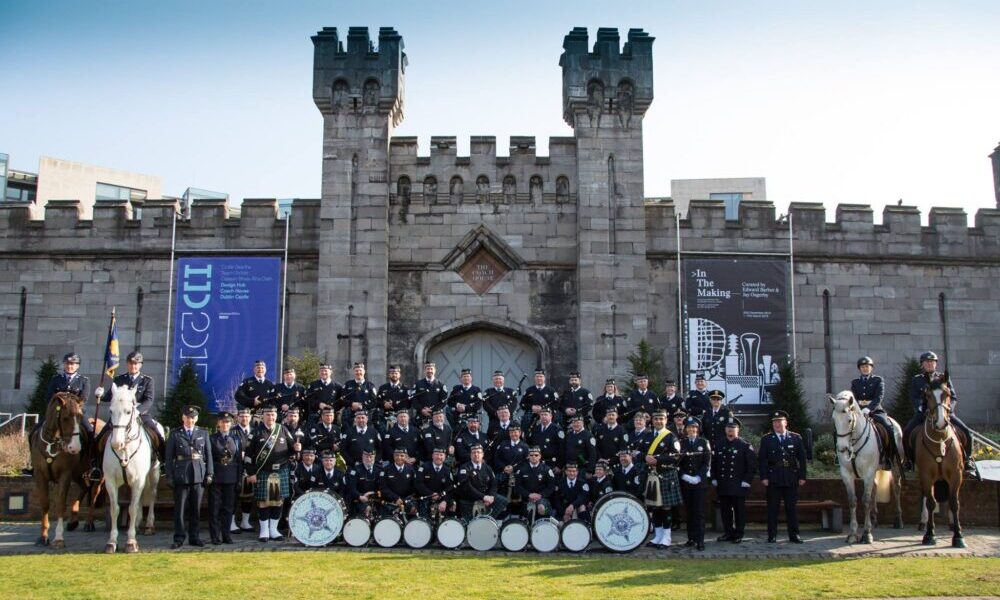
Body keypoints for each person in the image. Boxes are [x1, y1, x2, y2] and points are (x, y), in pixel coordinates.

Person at [903, 352, 977, 477]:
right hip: (924, 413)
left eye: (932, 362)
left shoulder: (944, 378)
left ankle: (968, 460)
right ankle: (909, 461)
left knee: (966, 432)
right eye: (926, 362)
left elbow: (953, 397)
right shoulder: (917, 379)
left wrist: (949, 410)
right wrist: (921, 407)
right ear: (922, 364)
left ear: (936, 364)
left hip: (943, 412)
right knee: (907, 432)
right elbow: (914, 396)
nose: (929, 364)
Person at [92, 351, 163, 479]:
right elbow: (109, 396)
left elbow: (149, 400)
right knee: (101, 437)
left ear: (140, 365)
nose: (133, 366)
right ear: (127, 364)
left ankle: (162, 463)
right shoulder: (120, 379)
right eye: (131, 363)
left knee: (156, 433)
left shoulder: (147, 381)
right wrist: (100, 394)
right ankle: (96, 466)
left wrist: (138, 410)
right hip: (120, 416)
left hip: (140, 414)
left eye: (136, 364)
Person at [245, 406, 300, 542]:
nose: (271, 417)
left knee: (278, 501)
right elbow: (248, 455)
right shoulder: (256, 432)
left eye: (273, 415)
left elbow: (292, 449)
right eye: (268, 414)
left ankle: (273, 530)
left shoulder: (282, 429)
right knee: (263, 502)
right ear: (263, 416)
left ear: (277, 416)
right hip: (263, 471)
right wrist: (251, 473)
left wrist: (296, 448)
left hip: (281, 470)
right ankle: (264, 531)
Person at [165, 405, 213, 549]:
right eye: (187, 417)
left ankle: (194, 536)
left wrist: (209, 473)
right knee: (180, 510)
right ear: (183, 418)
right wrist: (169, 476)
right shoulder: (175, 434)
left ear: (196, 418)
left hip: (198, 474)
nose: (190, 420)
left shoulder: (203, 433)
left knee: (195, 509)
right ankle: (179, 537)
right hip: (181, 474)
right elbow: (168, 457)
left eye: (193, 418)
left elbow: (208, 454)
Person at [759, 410, 806, 543]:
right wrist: (764, 477)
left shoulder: (796, 438)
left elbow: (801, 459)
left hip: (791, 477)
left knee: (791, 508)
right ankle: (772, 535)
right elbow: (762, 460)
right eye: (774, 422)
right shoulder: (767, 439)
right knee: (772, 509)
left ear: (786, 423)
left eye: (779, 421)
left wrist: (802, 476)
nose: (777, 424)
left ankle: (794, 535)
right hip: (773, 478)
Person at [712, 417, 755, 544]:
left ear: (738, 430)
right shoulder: (719, 444)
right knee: (725, 510)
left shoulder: (744, 445)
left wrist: (746, 481)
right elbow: (714, 463)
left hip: (738, 484)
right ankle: (728, 532)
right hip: (724, 483)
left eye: (733, 428)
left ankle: (739, 533)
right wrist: (714, 478)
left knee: (739, 510)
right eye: (728, 428)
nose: (730, 430)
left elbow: (751, 466)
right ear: (725, 430)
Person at [850, 356, 899, 468]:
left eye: (867, 366)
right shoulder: (855, 382)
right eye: (863, 367)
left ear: (871, 368)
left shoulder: (878, 380)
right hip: (859, 412)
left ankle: (888, 457)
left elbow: (879, 397)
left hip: (875, 411)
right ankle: (843, 456)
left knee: (888, 428)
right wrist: (860, 409)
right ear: (859, 369)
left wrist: (869, 408)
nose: (865, 369)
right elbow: (854, 398)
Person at [644, 410, 682, 549]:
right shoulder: (648, 435)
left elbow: (676, 456)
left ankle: (667, 537)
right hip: (652, 476)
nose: (658, 421)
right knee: (655, 506)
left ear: (666, 420)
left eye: (661, 419)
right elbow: (641, 452)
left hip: (666, 474)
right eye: (656, 419)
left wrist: (657, 460)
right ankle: (657, 536)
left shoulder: (671, 437)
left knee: (666, 507)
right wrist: (645, 458)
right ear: (652, 421)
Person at [678, 416, 711, 551]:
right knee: (689, 512)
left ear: (697, 429)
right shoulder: (682, 443)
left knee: (699, 512)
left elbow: (707, 462)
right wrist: (684, 476)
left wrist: (698, 476)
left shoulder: (704, 442)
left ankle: (700, 540)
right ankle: (691, 538)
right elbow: (678, 462)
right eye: (689, 427)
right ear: (686, 429)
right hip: (686, 483)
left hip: (699, 483)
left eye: (694, 427)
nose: (691, 429)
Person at [208, 411, 241, 545]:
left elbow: (239, 460)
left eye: (227, 422)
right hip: (216, 476)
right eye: (222, 422)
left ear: (231, 424)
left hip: (231, 476)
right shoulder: (212, 438)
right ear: (218, 423)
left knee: (228, 508)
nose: (225, 424)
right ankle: (215, 536)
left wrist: (238, 479)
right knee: (214, 508)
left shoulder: (236, 439)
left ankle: (226, 535)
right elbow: (209, 458)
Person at [456, 444, 508, 519]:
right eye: (474, 452)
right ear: (470, 455)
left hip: (486, 496)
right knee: (470, 523)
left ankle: (488, 519)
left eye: (478, 452)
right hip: (470, 498)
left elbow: (494, 484)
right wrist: (483, 497)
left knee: (504, 501)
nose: (476, 454)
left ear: (482, 454)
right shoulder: (464, 468)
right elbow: (467, 488)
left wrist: (491, 496)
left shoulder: (487, 467)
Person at [513, 446, 556, 519]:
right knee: (527, 517)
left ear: (540, 456)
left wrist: (540, 495)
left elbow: (551, 487)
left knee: (542, 508)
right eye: (531, 455)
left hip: (542, 498)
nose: (533, 457)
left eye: (536, 455)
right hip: (527, 498)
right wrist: (529, 495)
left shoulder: (546, 469)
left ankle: (550, 516)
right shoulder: (522, 470)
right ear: (528, 456)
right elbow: (518, 486)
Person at [231, 407, 255, 534]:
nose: (244, 418)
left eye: (246, 416)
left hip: (250, 468)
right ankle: (232, 522)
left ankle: (245, 522)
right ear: (237, 417)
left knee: (248, 496)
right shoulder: (232, 431)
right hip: (236, 468)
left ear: (250, 417)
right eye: (242, 416)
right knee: (233, 496)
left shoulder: (255, 431)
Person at [415, 447, 456, 519]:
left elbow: (450, 488)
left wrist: (444, 501)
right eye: (436, 454)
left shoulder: (447, 470)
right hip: (427, 497)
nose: (439, 457)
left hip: (442, 498)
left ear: (445, 457)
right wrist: (431, 494)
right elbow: (419, 484)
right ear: (432, 456)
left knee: (452, 505)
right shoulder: (424, 467)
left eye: (441, 455)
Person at [492, 424, 529, 500]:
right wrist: (504, 467)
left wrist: (514, 468)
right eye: (511, 432)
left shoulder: (525, 446)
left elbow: (526, 462)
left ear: (520, 433)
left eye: (515, 432)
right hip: (504, 472)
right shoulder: (503, 444)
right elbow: (497, 458)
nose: (513, 434)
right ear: (509, 433)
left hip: (518, 474)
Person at [338, 362, 379, 427]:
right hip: (350, 415)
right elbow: (342, 400)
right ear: (353, 372)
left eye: (360, 370)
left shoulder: (370, 385)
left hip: (365, 415)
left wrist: (362, 405)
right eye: (356, 371)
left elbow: (375, 401)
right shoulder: (347, 384)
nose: (358, 372)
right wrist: (352, 404)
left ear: (364, 371)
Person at [380, 448, 418, 517]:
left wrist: (407, 500)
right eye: (396, 455)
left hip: (407, 501)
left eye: (402, 455)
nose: (399, 458)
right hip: (391, 502)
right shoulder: (386, 469)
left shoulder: (411, 469)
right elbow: (383, 488)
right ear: (393, 456)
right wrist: (395, 498)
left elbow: (415, 487)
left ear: (405, 457)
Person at [345, 448, 381, 518]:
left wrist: (373, 493)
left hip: (376, 498)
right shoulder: (355, 470)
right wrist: (360, 496)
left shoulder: (379, 469)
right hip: (359, 499)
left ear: (374, 457)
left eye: (371, 457)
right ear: (362, 456)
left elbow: (383, 487)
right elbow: (351, 488)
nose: (368, 459)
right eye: (366, 456)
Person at [526, 408, 564, 472]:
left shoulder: (557, 429)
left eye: (546, 415)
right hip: (537, 463)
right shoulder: (535, 428)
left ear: (551, 416)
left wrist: (559, 466)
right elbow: (531, 444)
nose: (543, 416)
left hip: (552, 464)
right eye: (542, 415)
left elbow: (562, 448)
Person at [412, 362, 448, 428]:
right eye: (428, 369)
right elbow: (414, 399)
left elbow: (444, 401)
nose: (430, 371)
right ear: (424, 371)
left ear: (435, 370)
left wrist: (433, 410)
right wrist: (422, 410)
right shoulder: (418, 384)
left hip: (436, 417)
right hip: (421, 416)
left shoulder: (440, 385)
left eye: (431, 369)